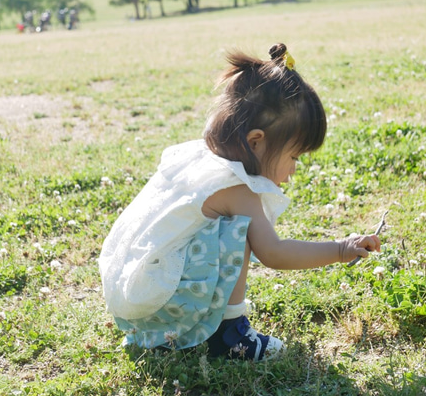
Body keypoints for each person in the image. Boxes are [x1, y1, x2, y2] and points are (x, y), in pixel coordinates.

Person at [98, 43, 381, 361]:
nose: (293, 170)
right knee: (237, 230)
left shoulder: (197, 159)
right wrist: (340, 250)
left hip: (132, 297)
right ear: (256, 142)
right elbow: (274, 253)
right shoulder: (236, 190)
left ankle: (162, 335)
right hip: (154, 299)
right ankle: (230, 335)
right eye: (294, 156)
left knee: (217, 230)